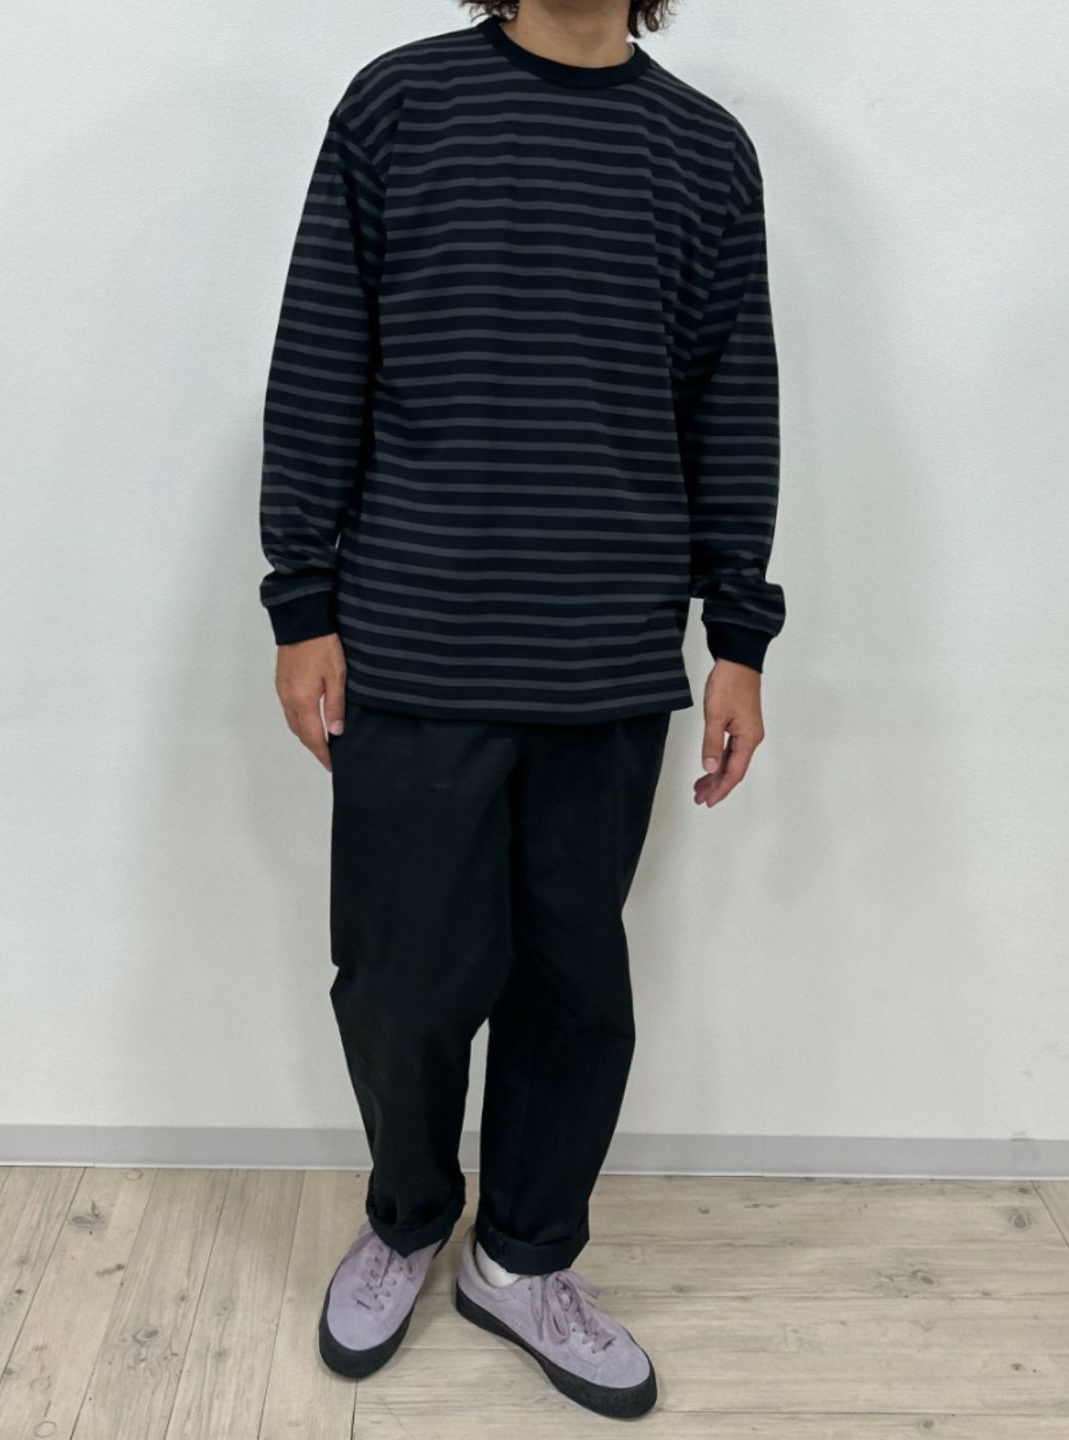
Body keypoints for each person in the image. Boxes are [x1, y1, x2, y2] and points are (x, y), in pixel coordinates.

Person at [258, 0, 784, 1419]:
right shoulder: (400, 107)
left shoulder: (704, 150)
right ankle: (408, 1219)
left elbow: (731, 399)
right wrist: (301, 600)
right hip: (412, 642)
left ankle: (523, 1259)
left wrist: (739, 634)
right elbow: (323, 354)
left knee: (572, 988)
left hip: (608, 656)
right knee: (403, 981)